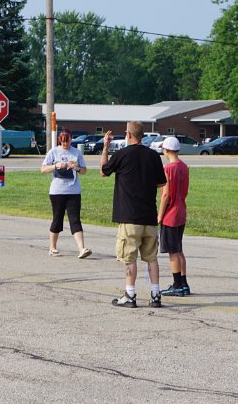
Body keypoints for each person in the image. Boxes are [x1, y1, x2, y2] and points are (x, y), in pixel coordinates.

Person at [100, 121, 167, 308]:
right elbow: (161, 183)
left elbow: (103, 171)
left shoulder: (122, 154)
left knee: (129, 257)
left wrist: (105, 147)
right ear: (142, 135)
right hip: (149, 216)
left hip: (129, 216)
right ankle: (155, 294)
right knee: (151, 258)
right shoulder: (153, 155)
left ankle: (130, 294)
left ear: (128, 134)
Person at [40, 128, 91, 258]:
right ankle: (52, 248)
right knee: (58, 219)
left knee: (75, 219)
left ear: (71, 139)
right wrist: (56, 166)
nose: (65, 144)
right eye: (63, 142)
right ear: (59, 141)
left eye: (67, 141)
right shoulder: (54, 152)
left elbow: (85, 171)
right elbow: (43, 169)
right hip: (57, 191)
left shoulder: (76, 152)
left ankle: (82, 249)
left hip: (74, 191)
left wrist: (76, 168)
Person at [157, 136, 192, 297]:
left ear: (167, 150)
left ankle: (177, 284)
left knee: (173, 252)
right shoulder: (184, 167)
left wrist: (160, 215)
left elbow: (166, 195)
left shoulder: (168, 168)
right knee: (179, 249)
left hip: (170, 214)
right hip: (181, 210)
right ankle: (184, 284)